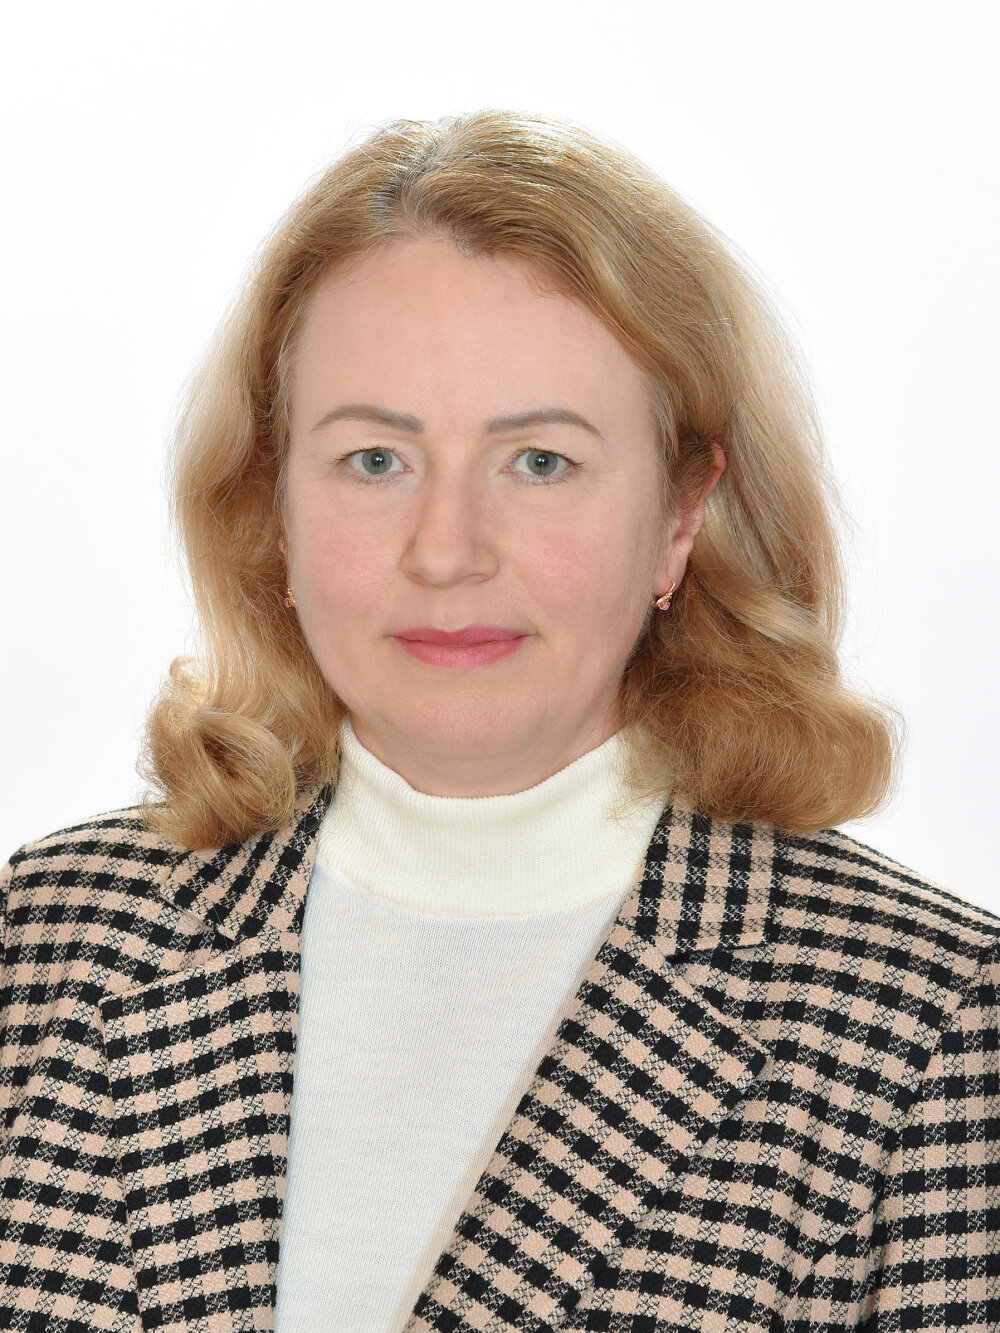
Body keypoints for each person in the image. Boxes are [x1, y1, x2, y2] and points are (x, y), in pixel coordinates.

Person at [0, 110, 996, 1333]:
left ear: (680, 515)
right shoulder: (50, 939)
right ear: (272, 507)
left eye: (539, 462)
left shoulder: (929, 1025)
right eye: (376, 459)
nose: (446, 552)